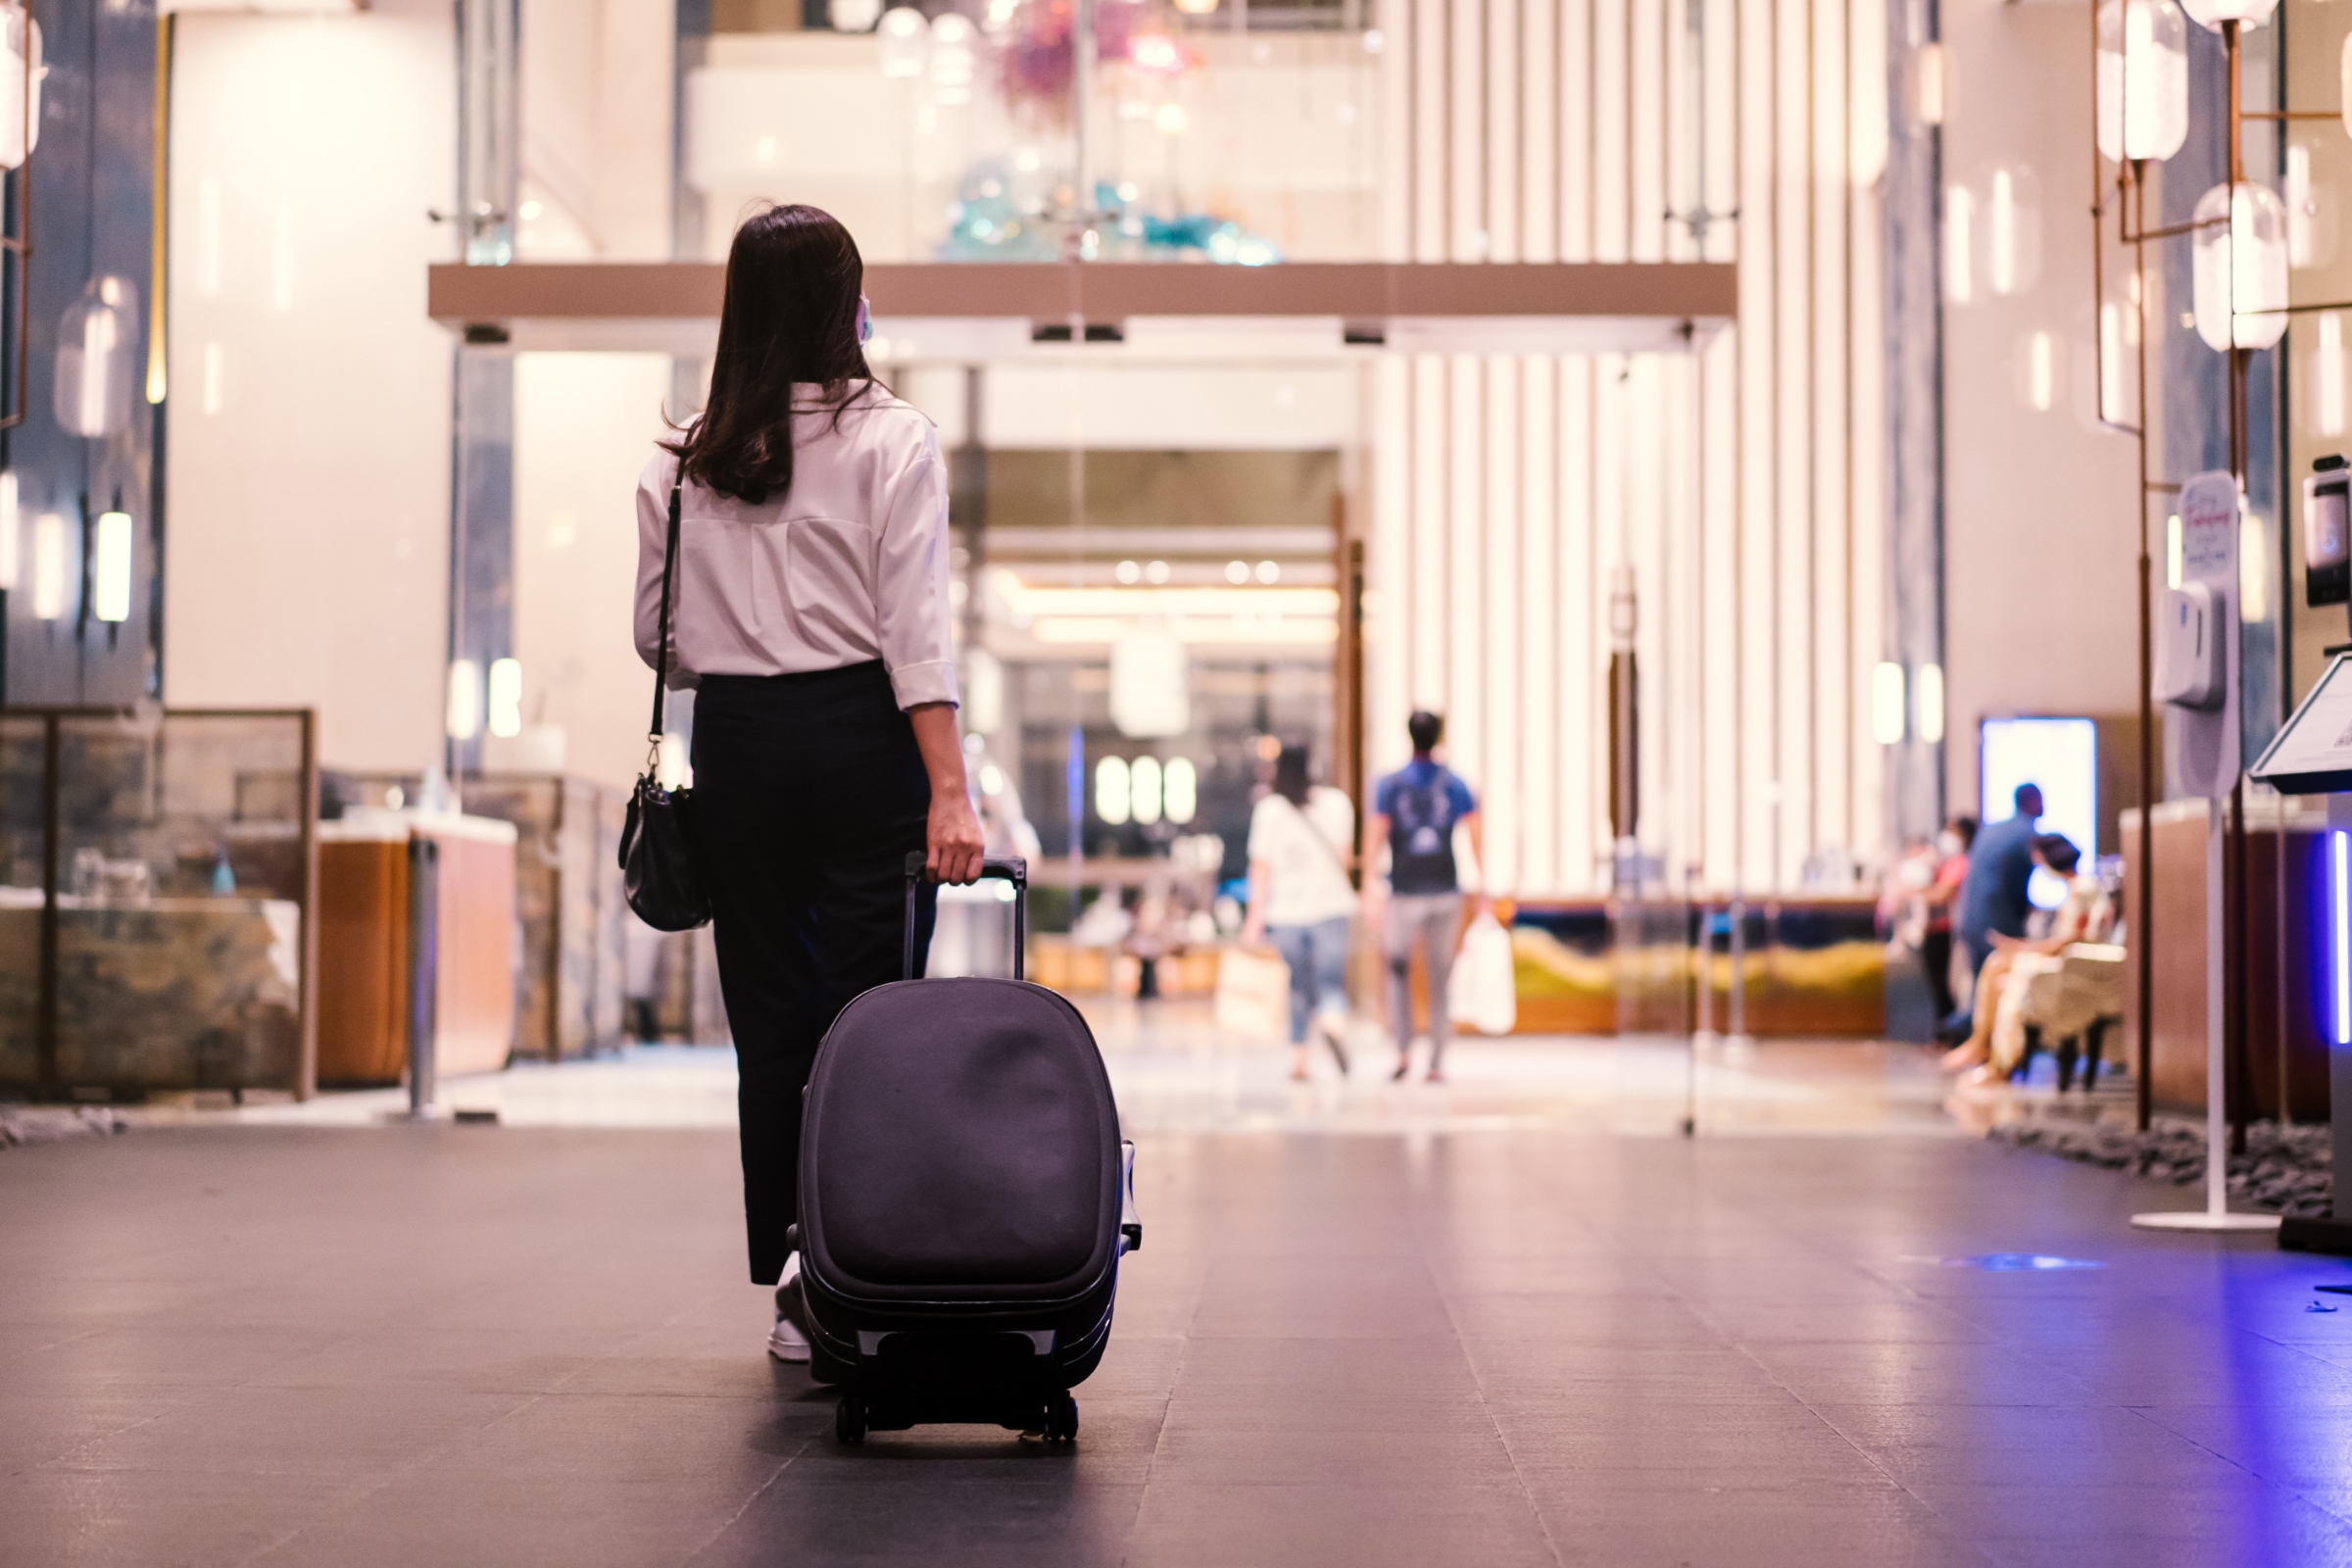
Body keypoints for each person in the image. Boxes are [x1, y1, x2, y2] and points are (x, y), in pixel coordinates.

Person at [633, 204, 985, 1365]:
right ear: (848, 302)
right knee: (867, 1016)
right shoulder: (893, 440)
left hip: (737, 746)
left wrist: (752, 632)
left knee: (771, 1026)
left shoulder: (682, 458)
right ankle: (853, 1270)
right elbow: (916, 636)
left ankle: (792, 1270)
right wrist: (951, 791)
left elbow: (659, 639)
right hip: (861, 740)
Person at [1365, 710, 1484, 1084]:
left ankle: (1403, 1051)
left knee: (1397, 970)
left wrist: (1369, 881)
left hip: (1404, 891)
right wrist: (1482, 887)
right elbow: (1476, 835)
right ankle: (1435, 1060)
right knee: (1439, 976)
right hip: (1445, 891)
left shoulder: (1391, 784)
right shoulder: (1455, 783)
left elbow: (1376, 832)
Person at [1943, 833, 2114, 1079]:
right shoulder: (2078, 888)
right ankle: (1981, 1045)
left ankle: (1999, 1061)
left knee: (2006, 983)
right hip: (2070, 959)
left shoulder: (2081, 890)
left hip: (2075, 966)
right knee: (1996, 964)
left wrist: (2021, 947)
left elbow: (2068, 942)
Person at [1241, 743, 1357, 1082]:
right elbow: (1345, 860)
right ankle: (1333, 1022)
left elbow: (1260, 868)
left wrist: (1254, 916)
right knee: (1331, 982)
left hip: (1286, 912)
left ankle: (1300, 1059)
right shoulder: (1337, 804)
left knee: (1297, 986)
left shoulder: (1269, 810)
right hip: (1332, 906)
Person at [1944, 783, 2041, 1042]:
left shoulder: (1994, 830)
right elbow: (2018, 886)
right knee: (2000, 987)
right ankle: (1989, 1047)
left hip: (1973, 917)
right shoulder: (2024, 833)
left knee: (1982, 986)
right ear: (2031, 801)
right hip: (1997, 919)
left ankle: (1975, 1041)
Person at [1917, 816, 1976, 1029]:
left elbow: (1941, 894)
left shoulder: (1962, 863)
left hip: (1948, 928)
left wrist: (1916, 891)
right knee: (1938, 983)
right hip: (1939, 927)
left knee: (1944, 983)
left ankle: (1949, 1030)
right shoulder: (1950, 863)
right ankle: (1945, 1030)